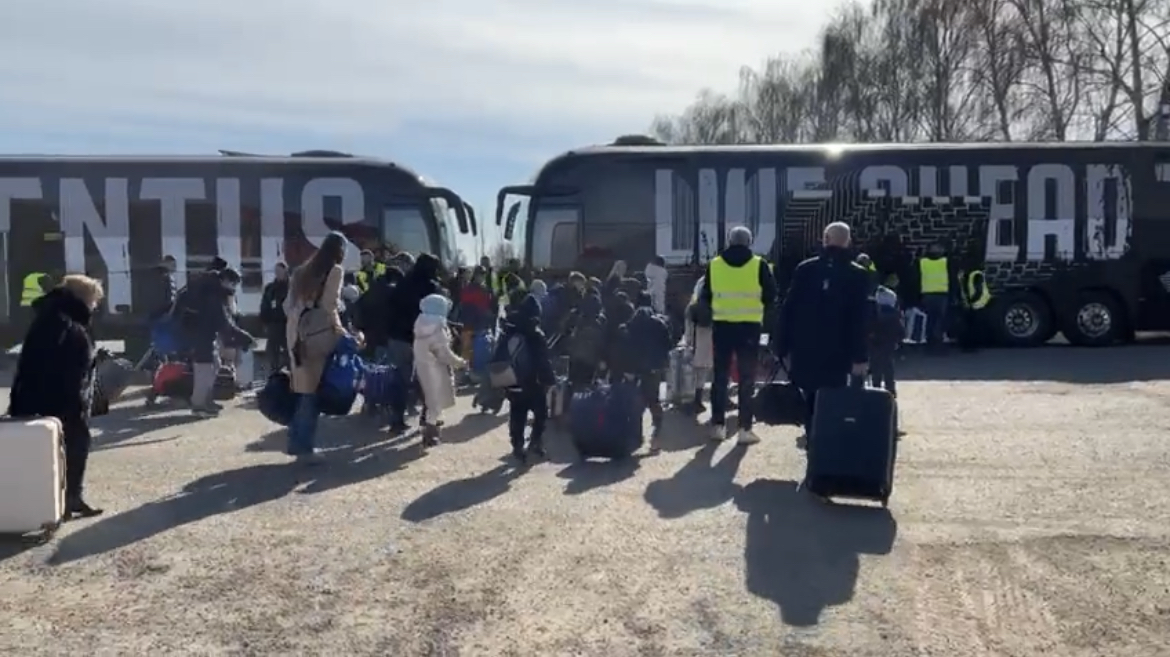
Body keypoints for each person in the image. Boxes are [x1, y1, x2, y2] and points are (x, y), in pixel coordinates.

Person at [9, 274, 106, 518]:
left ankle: (69, 498)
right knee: (66, 450)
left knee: (69, 449)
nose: (95, 306)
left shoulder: (57, 316)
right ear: (84, 297)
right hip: (58, 400)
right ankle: (64, 500)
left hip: (58, 398)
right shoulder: (61, 320)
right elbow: (51, 362)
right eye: (94, 300)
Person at [775, 221, 870, 441]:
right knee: (834, 398)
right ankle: (829, 445)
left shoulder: (805, 269)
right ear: (848, 242)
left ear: (825, 240)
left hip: (805, 348)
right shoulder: (858, 275)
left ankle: (813, 442)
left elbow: (788, 309)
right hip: (839, 351)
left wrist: (781, 345)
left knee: (810, 396)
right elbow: (859, 319)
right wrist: (860, 356)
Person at [698, 226, 777, 445]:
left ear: (729, 241)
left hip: (722, 326)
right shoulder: (759, 264)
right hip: (749, 328)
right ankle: (744, 429)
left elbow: (705, 296)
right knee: (747, 378)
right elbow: (771, 296)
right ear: (749, 242)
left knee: (720, 377)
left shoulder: (715, 265)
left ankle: (718, 426)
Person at [283, 232, 348, 464]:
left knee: (303, 390)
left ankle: (295, 441)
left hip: (296, 332)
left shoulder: (301, 271)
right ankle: (304, 447)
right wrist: (340, 330)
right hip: (319, 334)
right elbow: (330, 304)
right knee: (312, 394)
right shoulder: (335, 270)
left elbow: (287, 305)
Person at [174, 266, 254, 416]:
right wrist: (244, 337)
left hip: (202, 334)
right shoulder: (212, 295)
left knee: (214, 364)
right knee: (204, 369)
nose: (233, 288)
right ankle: (199, 405)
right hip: (200, 336)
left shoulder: (211, 289)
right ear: (225, 280)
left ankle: (206, 399)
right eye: (233, 284)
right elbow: (224, 324)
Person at [499, 294, 557, 463]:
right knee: (541, 413)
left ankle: (517, 445)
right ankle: (535, 442)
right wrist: (550, 380)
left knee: (517, 412)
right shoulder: (535, 333)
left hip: (511, 378)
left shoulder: (509, 329)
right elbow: (543, 360)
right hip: (532, 381)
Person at [614, 291, 672, 448]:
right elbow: (668, 345)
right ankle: (657, 434)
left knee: (635, 402)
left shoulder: (630, 323)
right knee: (654, 401)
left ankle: (636, 435)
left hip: (634, 368)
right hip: (654, 368)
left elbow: (623, 346)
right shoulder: (660, 323)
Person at [413, 294, 467, 446]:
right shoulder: (438, 327)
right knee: (435, 405)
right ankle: (430, 435)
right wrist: (460, 363)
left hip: (421, 367)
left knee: (429, 402)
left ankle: (429, 430)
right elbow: (443, 353)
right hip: (436, 370)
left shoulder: (420, 323)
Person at [684, 275, 715, 414]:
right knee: (703, 372)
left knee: (692, 372)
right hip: (707, 339)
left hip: (695, 340)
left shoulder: (692, 307)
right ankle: (698, 400)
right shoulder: (714, 306)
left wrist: (688, 341)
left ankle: (690, 400)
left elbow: (688, 326)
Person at [868, 285, 903, 396]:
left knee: (875, 368)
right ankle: (890, 389)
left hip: (874, 344)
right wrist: (898, 340)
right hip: (889, 344)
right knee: (888, 367)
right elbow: (901, 331)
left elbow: (867, 328)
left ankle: (875, 388)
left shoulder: (873, 314)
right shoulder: (895, 315)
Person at [917, 241, 951, 352]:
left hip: (927, 294)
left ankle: (930, 342)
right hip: (941, 294)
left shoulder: (923, 262)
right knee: (940, 320)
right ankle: (938, 343)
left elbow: (916, 278)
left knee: (930, 320)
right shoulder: (945, 261)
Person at [259, 262, 290, 371]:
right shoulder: (270, 288)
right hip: (274, 323)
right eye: (276, 271)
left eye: (280, 271)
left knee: (289, 350)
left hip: (288, 323)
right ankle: (274, 371)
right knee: (272, 350)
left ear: (285, 271)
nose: (278, 273)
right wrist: (264, 320)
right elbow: (265, 305)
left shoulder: (291, 287)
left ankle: (289, 371)